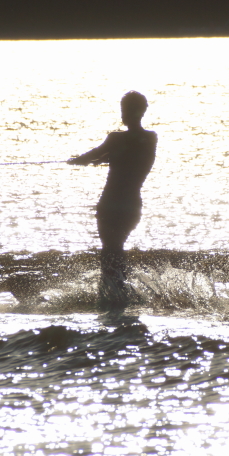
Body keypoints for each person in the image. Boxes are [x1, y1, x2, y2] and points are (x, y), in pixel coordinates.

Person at [68, 91, 157, 307]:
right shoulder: (149, 139)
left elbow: (98, 153)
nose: (123, 114)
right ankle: (118, 292)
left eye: (125, 110)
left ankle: (113, 295)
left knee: (110, 250)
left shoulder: (116, 139)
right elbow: (128, 156)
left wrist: (78, 161)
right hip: (132, 206)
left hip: (111, 204)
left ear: (133, 112)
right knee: (115, 248)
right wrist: (101, 159)